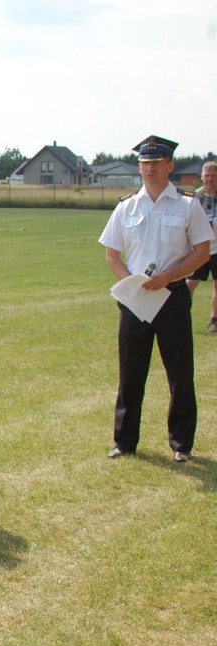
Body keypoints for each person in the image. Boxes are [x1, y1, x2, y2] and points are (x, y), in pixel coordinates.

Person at [99, 135, 211, 463]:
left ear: (170, 166)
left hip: (172, 298)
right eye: (145, 164)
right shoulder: (126, 207)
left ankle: (181, 444)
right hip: (136, 301)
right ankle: (125, 441)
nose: (150, 169)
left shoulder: (188, 205)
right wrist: (131, 282)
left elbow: (202, 251)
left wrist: (170, 276)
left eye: (156, 163)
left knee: (179, 373)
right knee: (130, 373)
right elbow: (112, 255)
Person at [188, 161, 217, 332]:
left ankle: (214, 320)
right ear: (201, 177)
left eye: (213, 176)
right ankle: (182, 315)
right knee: (190, 283)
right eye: (206, 175)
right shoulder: (194, 198)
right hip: (199, 248)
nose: (210, 179)